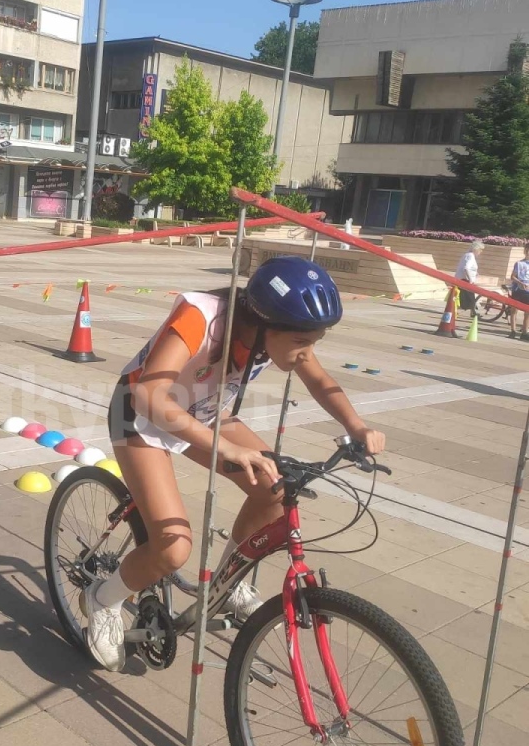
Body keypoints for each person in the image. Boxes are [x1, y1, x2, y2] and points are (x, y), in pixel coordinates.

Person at [83, 256, 387, 671]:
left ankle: (230, 582)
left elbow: (320, 380)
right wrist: (225, 449)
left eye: (315, 343)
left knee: (276, 491)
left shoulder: (275, 332)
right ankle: (103, 599)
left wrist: (356, 426)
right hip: (140, 417)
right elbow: (148, 397)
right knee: (172, 550)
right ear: (264, 323)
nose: (307, 355)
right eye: (302, 344)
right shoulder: (201, 318)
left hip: (205, 413)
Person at [454, 240, 485, 323]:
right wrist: (470, 279)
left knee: (469, 298)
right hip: (465, 280)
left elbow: (467, 267)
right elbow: (466, 268)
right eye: (480, 250)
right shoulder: (471, 256)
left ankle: (472, 312)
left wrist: (475, 273)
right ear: (476, 249)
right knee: (468, 300)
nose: (481, 252)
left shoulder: (467, 255)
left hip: (461, 279)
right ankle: (455, 311)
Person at [509, 242, 529, 340]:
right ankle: (513, 330)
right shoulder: (519, 263)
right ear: (525, 251)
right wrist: (520, 283)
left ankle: (524, 332)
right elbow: (512, 276)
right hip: (518, 289)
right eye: (527, 251)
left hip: (528, 291)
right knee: (514, 310)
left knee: (527, 311)